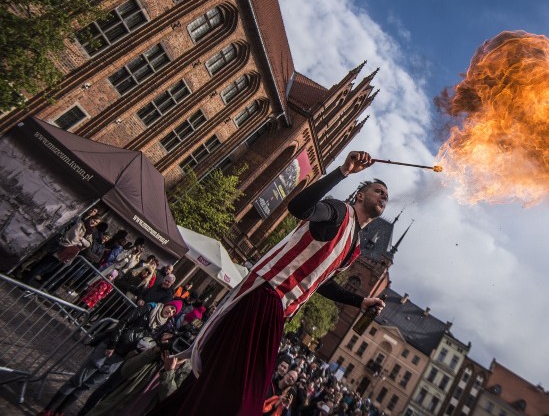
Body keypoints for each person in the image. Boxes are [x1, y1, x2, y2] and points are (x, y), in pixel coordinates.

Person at [147, 151, 388, 416]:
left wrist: (359, 301)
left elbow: (321, 283)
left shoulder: (353, 248)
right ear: (361, 196)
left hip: (280, 311)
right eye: (378, 190)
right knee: (240, 397)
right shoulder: (338, 211)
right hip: (267, 293)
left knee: (214, 383)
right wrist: (342, 171)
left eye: (386, 195)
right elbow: (299, 207)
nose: (384, 196)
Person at [37, 300, 181, 416]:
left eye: (174, 312)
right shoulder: (150, 308)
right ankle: (48, 409)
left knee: (87, 385)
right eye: (171, 307)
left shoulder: (161, 326)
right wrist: (112, 344)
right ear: (167, 304)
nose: (171, 311)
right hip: (110, 346)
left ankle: (60, 411)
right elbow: (124, 322)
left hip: (121, 356)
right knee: (78, 380)